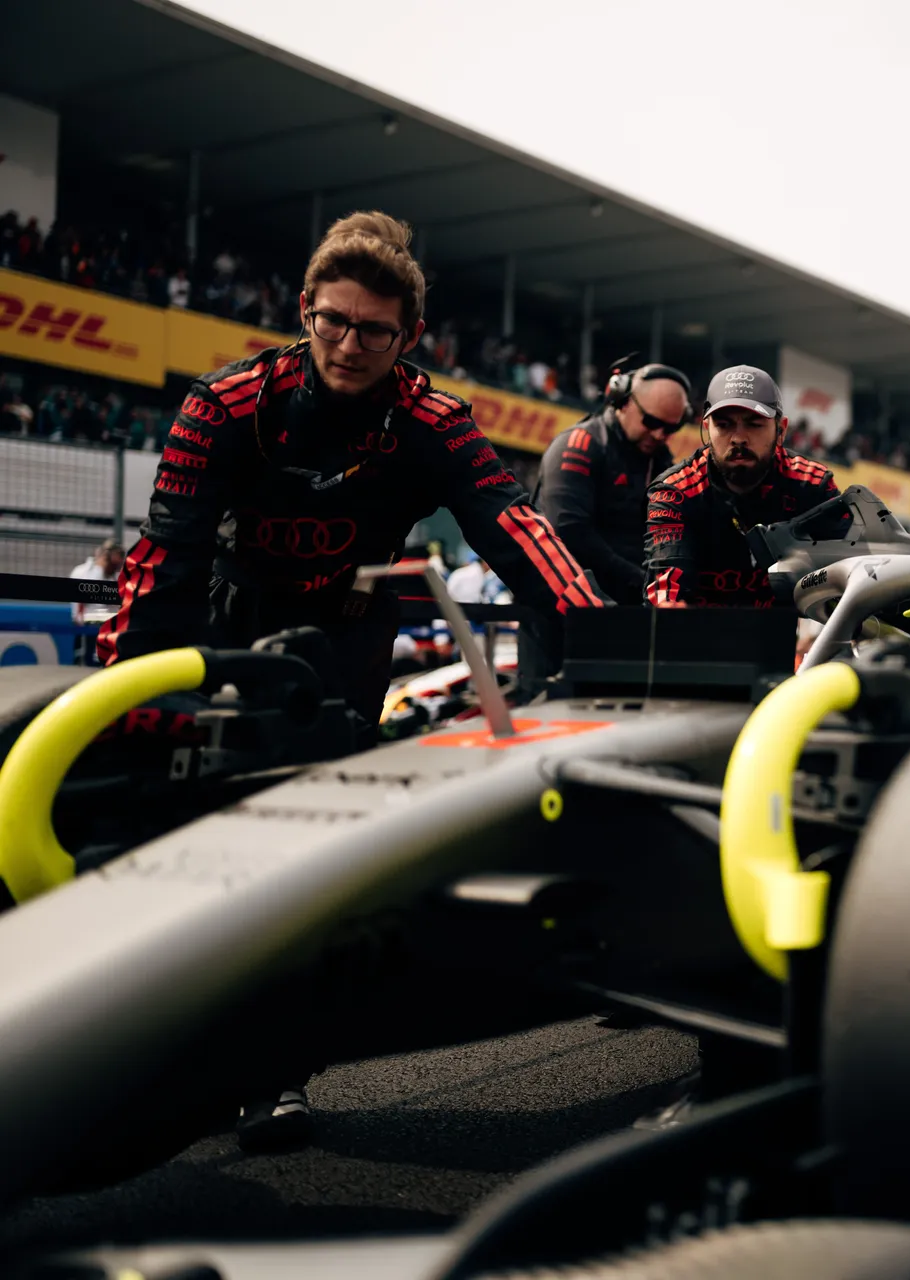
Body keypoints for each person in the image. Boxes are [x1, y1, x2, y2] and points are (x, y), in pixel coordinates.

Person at [95, 212, 604, 1149]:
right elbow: (163, 559)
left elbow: (517, 533)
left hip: (344, 649)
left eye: (374, 330)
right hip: (226, 631)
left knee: (300, 854)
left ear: (410, 337)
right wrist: (127, 696)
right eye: (333, 320)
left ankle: (273, 1071)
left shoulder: (433, 419)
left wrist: (611, 639)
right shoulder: (226, 401)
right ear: (303, 309)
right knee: (178, 827)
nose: (349, 343)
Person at [645, 365, 838, 608]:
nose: (738, 438)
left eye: (754, 424)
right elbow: (666, 589)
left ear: (781, 430)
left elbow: (855, 573)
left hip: (786, 640)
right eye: (724, 425)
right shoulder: (675, 491)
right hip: (696, 637)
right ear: (707, 428)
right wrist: (669, 607)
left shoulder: (813, 484)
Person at [533, 356, 691, 604]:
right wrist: (644, 582)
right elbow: (569, 534)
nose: (660, 434)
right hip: (566, 614)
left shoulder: (660, 460)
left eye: (671, 427)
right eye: (651, 422)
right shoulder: (579, 445)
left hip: (626, 608)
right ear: (623, 401)